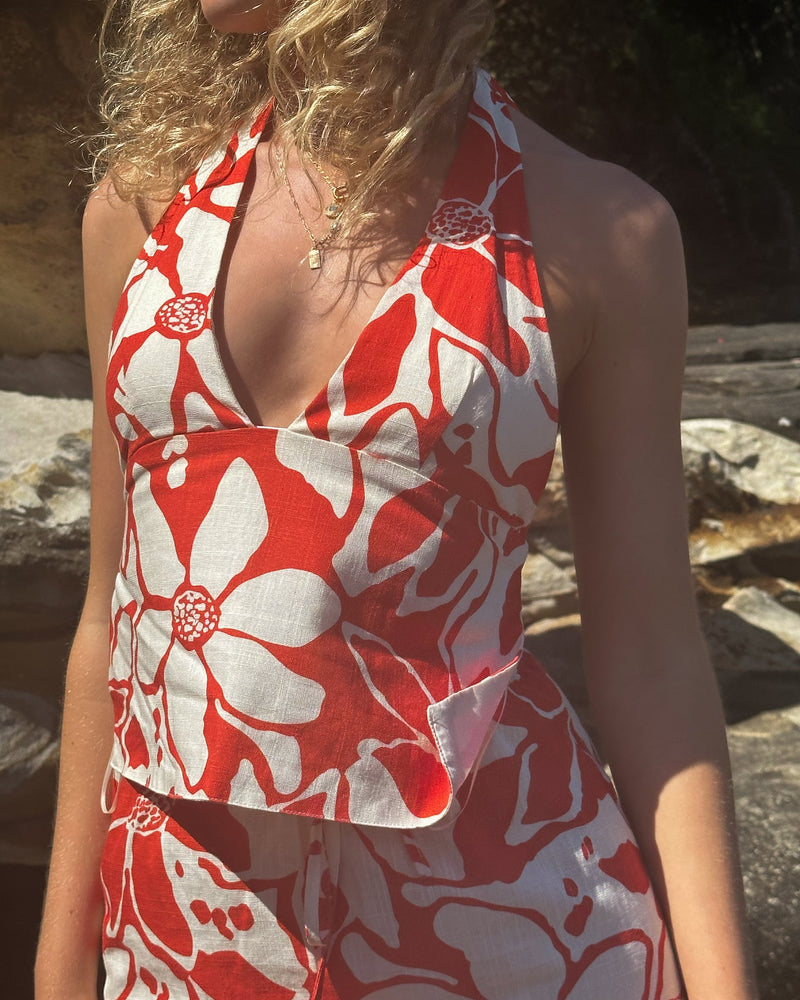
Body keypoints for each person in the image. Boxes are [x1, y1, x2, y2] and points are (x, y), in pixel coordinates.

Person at [36, 1, 759, 998]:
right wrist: (59, 955)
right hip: (180, 939)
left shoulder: (600, 231)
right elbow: (110, 614)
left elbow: (647, 654)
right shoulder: (142, 208)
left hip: (503, 938)